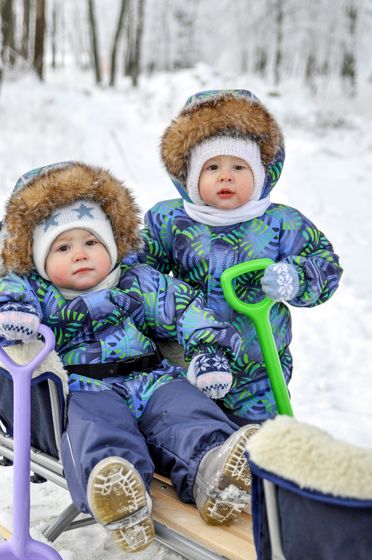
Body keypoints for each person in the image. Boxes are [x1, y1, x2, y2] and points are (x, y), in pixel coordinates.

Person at [0, 161, 257, 554]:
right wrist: (12, 316)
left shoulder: (137, 281)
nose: (80, 255)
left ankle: (214, 470)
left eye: (92, 243)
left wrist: (209, 350)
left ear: (112, 245)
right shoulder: (40, 293)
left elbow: (185, 308)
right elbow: (10, 292)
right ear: (38, 260)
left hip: (152, 377)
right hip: (87, 386)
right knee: (97, 430)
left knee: (186, 410)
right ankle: (121, 495)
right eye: (63, 248)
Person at [135, 89, 343, 424]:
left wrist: (296, 277)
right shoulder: (171, 222)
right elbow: (141, 272)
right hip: (188, 360)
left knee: (261, 441)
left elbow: (324, 265)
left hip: (260, 369)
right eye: (212, 166)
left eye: (239, 166)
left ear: (261, 173)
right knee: (193, 432)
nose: (226, 176)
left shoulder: (280, 223)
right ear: (189, 176)